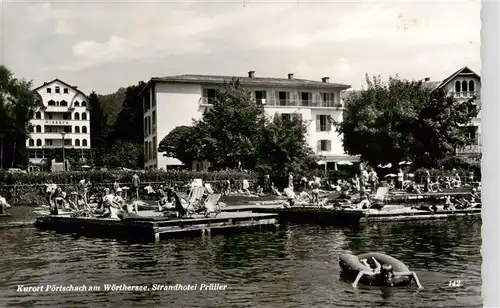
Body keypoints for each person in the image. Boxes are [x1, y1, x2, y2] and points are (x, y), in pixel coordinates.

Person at [352, 262, 423, 289]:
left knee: (377, 267)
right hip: (377, 271)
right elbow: (362, 272)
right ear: (382, 273)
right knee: (373, 269)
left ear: (391, 272)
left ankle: (374, 260)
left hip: (380, 270)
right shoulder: (378, 274)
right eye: (385, 274)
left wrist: (418, 285)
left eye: (388, 274)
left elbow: (412, 273)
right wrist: (355, 283)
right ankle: (365, 262)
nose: (386, 276)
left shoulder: (394, 274)